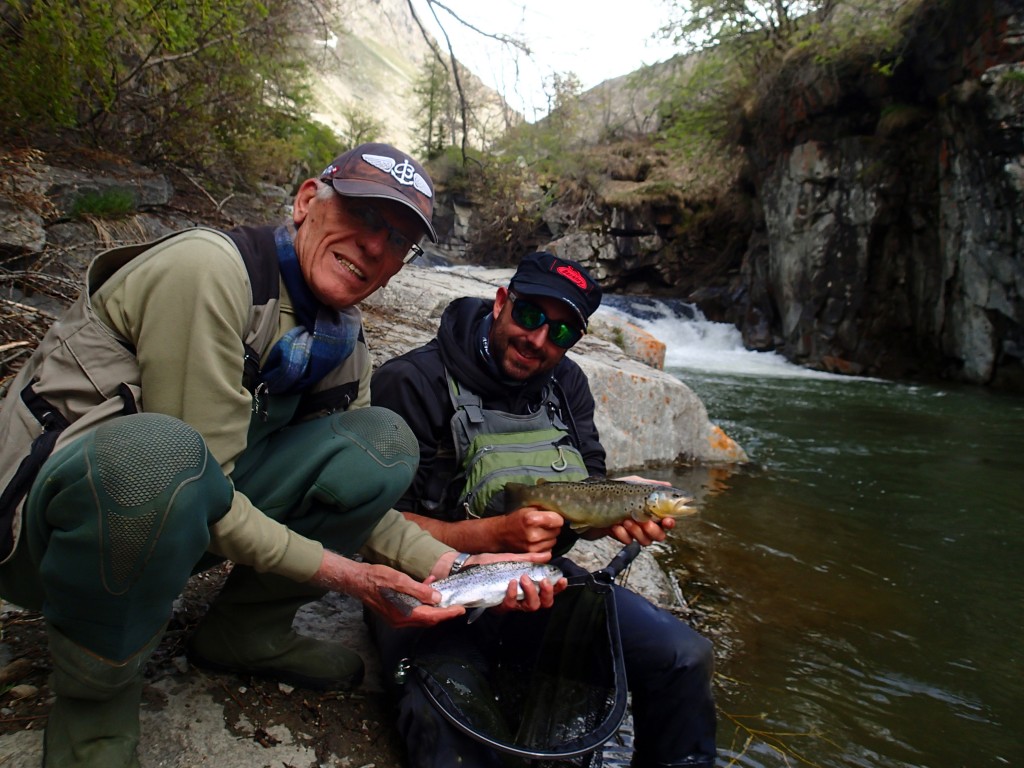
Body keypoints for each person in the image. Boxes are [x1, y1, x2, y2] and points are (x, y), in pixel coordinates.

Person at [0, 143, 553, 768]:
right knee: (159, 454)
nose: (376, 247)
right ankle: (93, 709)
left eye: (398, 238)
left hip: (174, 516)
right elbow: (198, 481)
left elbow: (354, 501)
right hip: (38, 536)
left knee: (382, 443)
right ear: (307, 201)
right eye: (366, 216)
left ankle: (245, 631)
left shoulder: (342, 342)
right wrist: (348, 576)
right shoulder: (210, 271)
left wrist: (458, 567)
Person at [370, 252, 718, 768]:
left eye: (561, 334)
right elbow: (377, 525)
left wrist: (616, 513)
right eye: (531, 316)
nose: (538, 341)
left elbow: (590, 494)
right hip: (434, 596)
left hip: (544, 588)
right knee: (461, 744)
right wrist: (495, 533)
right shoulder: (409, 381)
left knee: (684, 658)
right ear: (502, 302)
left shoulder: (567, 383)